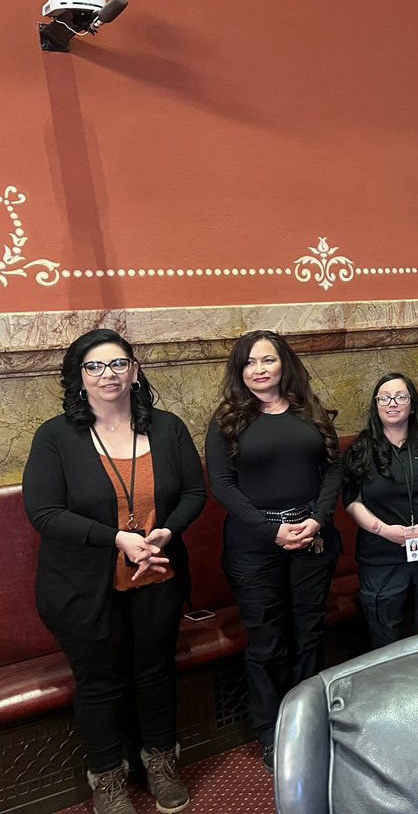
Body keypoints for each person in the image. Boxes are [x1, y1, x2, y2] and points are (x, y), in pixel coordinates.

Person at [23, 329, 205, 814]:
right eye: (95, 367)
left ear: (135, 371)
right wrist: (117, 539)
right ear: (79, 379)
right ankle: (108, 778)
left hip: (158, 575)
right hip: (82, 586)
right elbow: (43, 512)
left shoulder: (168, 428)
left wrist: (165, 532)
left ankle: (161, 763)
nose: (109, 375)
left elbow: (194, 493)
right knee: (100, 680)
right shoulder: (55, 436)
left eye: (118, 364)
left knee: (154, 672)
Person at [204, 330, 342, 772]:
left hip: (313, 539)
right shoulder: (228, 420)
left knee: (309, 632)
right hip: (255, 548)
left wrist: (318, 518)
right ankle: (271, 729)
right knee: (266, 641)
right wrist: (272, 531)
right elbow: (222, 486)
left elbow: (332, 471)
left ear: (284, 364)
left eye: (268, 360)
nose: (259, 370)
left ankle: (308, 722)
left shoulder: (310, 410)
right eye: (249, 363)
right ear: (239, 371)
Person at [342, 372, 418, 646]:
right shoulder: (361, 449)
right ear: (376, 405)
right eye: (384, 398)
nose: (392, 403)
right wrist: (384, 531)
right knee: (385, 637)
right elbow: (351, 501)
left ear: (412, 404)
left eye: (400, 397)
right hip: (382, 558)